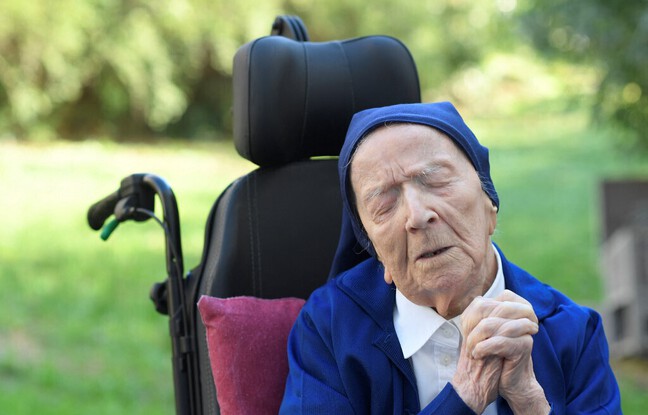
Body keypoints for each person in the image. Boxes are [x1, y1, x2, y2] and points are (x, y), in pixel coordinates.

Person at [279, 102, 621, 414]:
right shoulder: (329, 329)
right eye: (384, 203)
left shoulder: (572, 332)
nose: (416, 215)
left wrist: (530, 403)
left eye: (436, 180)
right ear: (375, 251)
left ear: (490, 205)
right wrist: (466, 394)